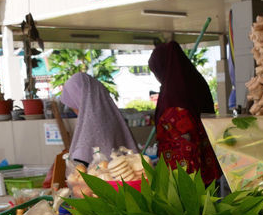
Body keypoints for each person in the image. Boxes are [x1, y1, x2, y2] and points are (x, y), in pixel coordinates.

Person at [148, 40, 222, 185]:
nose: (157, 77)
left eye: (156, 71)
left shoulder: (171, 95)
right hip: (207, 163)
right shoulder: (196, 82)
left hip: (185, 172)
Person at [57, 72, 139, 196]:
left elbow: (80, 167)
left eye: (73, 104)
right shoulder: (110, 115)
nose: (73, 109)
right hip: (128, 190)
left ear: (80, 97)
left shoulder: (90, 123)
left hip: (103, 196)